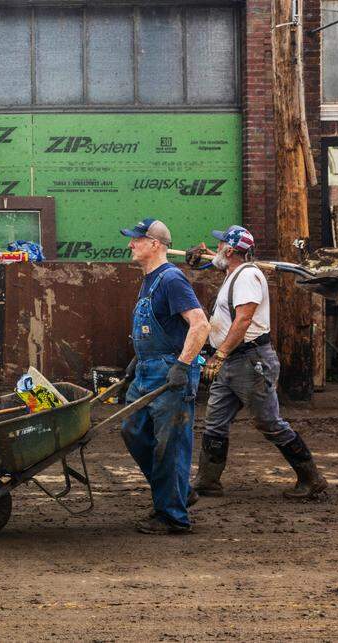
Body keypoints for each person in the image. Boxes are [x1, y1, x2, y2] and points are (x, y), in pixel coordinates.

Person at [185, 225, 328, 500]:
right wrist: (200, 259)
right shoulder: (234, 272)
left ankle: (312, 479)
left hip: (250, 361)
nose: (214, 251)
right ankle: (207, 481)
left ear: (229, 250)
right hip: (230, 362)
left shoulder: (248, 276)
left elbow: (244, 320)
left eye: (218, 247)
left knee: (269, 423)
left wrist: (220, 354)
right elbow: (216, 267)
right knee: (214, 423)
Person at [119, 218, 209, 534]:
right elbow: (160, 328)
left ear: (155, 244)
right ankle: (179, 490)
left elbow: (200, 324)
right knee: (131, 429)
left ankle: (173, 516)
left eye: (136, 239)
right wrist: (137, 360)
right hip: (147, 370)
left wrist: (182, 366)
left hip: (171, 373)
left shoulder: (172, 279)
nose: (131, 244)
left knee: (169, 445)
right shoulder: (149, 280)